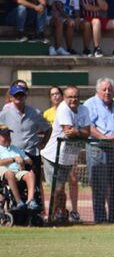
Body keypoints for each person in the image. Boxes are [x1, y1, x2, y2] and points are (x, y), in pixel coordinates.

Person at [83, 77, 114, 224]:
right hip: (98, 149)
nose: (107, 92)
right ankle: (100, 219)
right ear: (97, 91)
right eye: (104, 89)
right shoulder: (90, 104)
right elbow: (89, 127)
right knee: (99, 186)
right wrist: (103, 137)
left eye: (110, 90)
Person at [40, 86, 88, 222]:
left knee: (61, 190)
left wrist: (77, 132)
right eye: (70, 97)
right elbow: (68, 131)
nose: (73, 99)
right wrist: (81, 132)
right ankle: (50, 218)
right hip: (52, 156)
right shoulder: (63, 108)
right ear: (64, 98)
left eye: (76, 97)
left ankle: (61, 214)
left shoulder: (84, 109)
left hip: (68, 157)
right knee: (57, 189)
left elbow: (86, 132)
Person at [0, 81, 47, 204]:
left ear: (25, 96)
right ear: (11, 97)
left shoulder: (35, 113)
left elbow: (48, 128)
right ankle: (17, 208)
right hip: (12, 153)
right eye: (16, 96)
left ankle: (36, 209)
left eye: (21, 95)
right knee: (15, 183)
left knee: (35, 184)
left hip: (31, 153)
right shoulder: (5, 112)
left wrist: (43, 143)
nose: (19, 98)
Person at [0, 123, 39, 212]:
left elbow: (30, 161)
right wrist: (13, 159)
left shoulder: (15, 148)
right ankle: (19, 202)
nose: (7, 137)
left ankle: (31, 200)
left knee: (31, 174)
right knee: (9, 173)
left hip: (18, 171)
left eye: (8, 135)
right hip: (4, 170)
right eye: (4, 135)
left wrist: (22, 160)